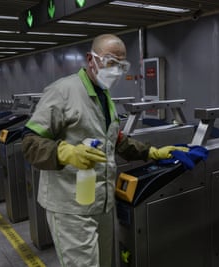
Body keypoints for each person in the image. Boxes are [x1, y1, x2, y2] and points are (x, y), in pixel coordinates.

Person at [21, 34, 188, 267]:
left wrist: (152, 153)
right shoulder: (63, 91)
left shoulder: (104, 94)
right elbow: (29, 143)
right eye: (111, 62)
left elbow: (114, 139)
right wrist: (65, 152)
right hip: (71, 206)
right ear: (91, 59)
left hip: (101, 202)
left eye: (122, 65)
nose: (117, 71)